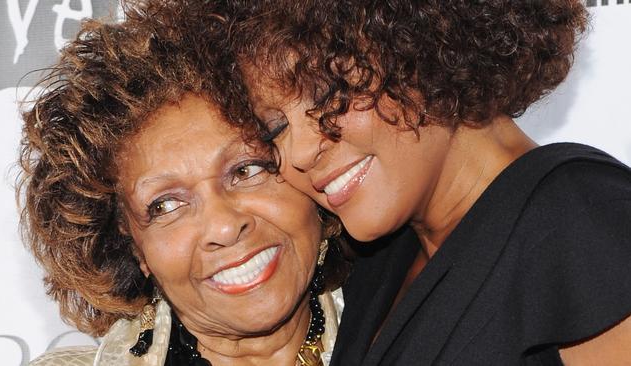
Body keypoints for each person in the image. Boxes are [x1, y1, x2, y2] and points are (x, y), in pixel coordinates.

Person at [210, 0, 631, 364]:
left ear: (424, 44)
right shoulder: (379, 264)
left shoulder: (580, 217)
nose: (300, 153)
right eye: (276, 128)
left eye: (326, 96)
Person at [19, 2, 348, 365]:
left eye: (246, 170)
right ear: (132, 246)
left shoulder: (408, 323)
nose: (223, 226)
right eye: (165, 205)